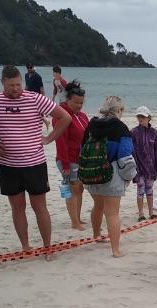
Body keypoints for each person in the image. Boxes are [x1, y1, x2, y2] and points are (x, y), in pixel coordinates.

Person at [0, 65, 71, 257]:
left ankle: (48, 247)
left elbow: (65, 117)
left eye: (18, 84)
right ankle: (25, 246)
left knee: (40, 207)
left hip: (34, 164)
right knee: (17, 207)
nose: (16, 88)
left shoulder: (35, 99)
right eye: (11, 85)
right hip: (8, 166)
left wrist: (50, 138)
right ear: (2, 82)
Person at [83, 96, 136, 258]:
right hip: (110, 173)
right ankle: (115, 250)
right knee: (112, 212)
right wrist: (129, 177)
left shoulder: (92, 124)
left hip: (91, 170)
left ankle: (96, 235)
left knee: (97, 206)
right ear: (119, 110)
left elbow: (82, 147)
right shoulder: (120, 128)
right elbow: (125, 157)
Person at [53, 80, 89, 230]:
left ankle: (78, 218)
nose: (79, 106)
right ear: (67, 100)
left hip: (80, 159)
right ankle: (74, 222)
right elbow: (60, 142)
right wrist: (66, 164)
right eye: (76, 102)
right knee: (72, 189)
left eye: (81, 103)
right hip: (67, 159)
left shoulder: (82, 116)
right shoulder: (61, 116)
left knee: (79, 188)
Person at [131, 106, 157, 221]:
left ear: (149, 118)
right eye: (139, 116)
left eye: (143, 116)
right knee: (140, 190)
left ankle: (151, 212)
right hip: (138, 168)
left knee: (149, 190)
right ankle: (141, 213)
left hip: (151, 168)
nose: (141, 118)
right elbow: (130, 151)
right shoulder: (133, 132)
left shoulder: (154, 133)